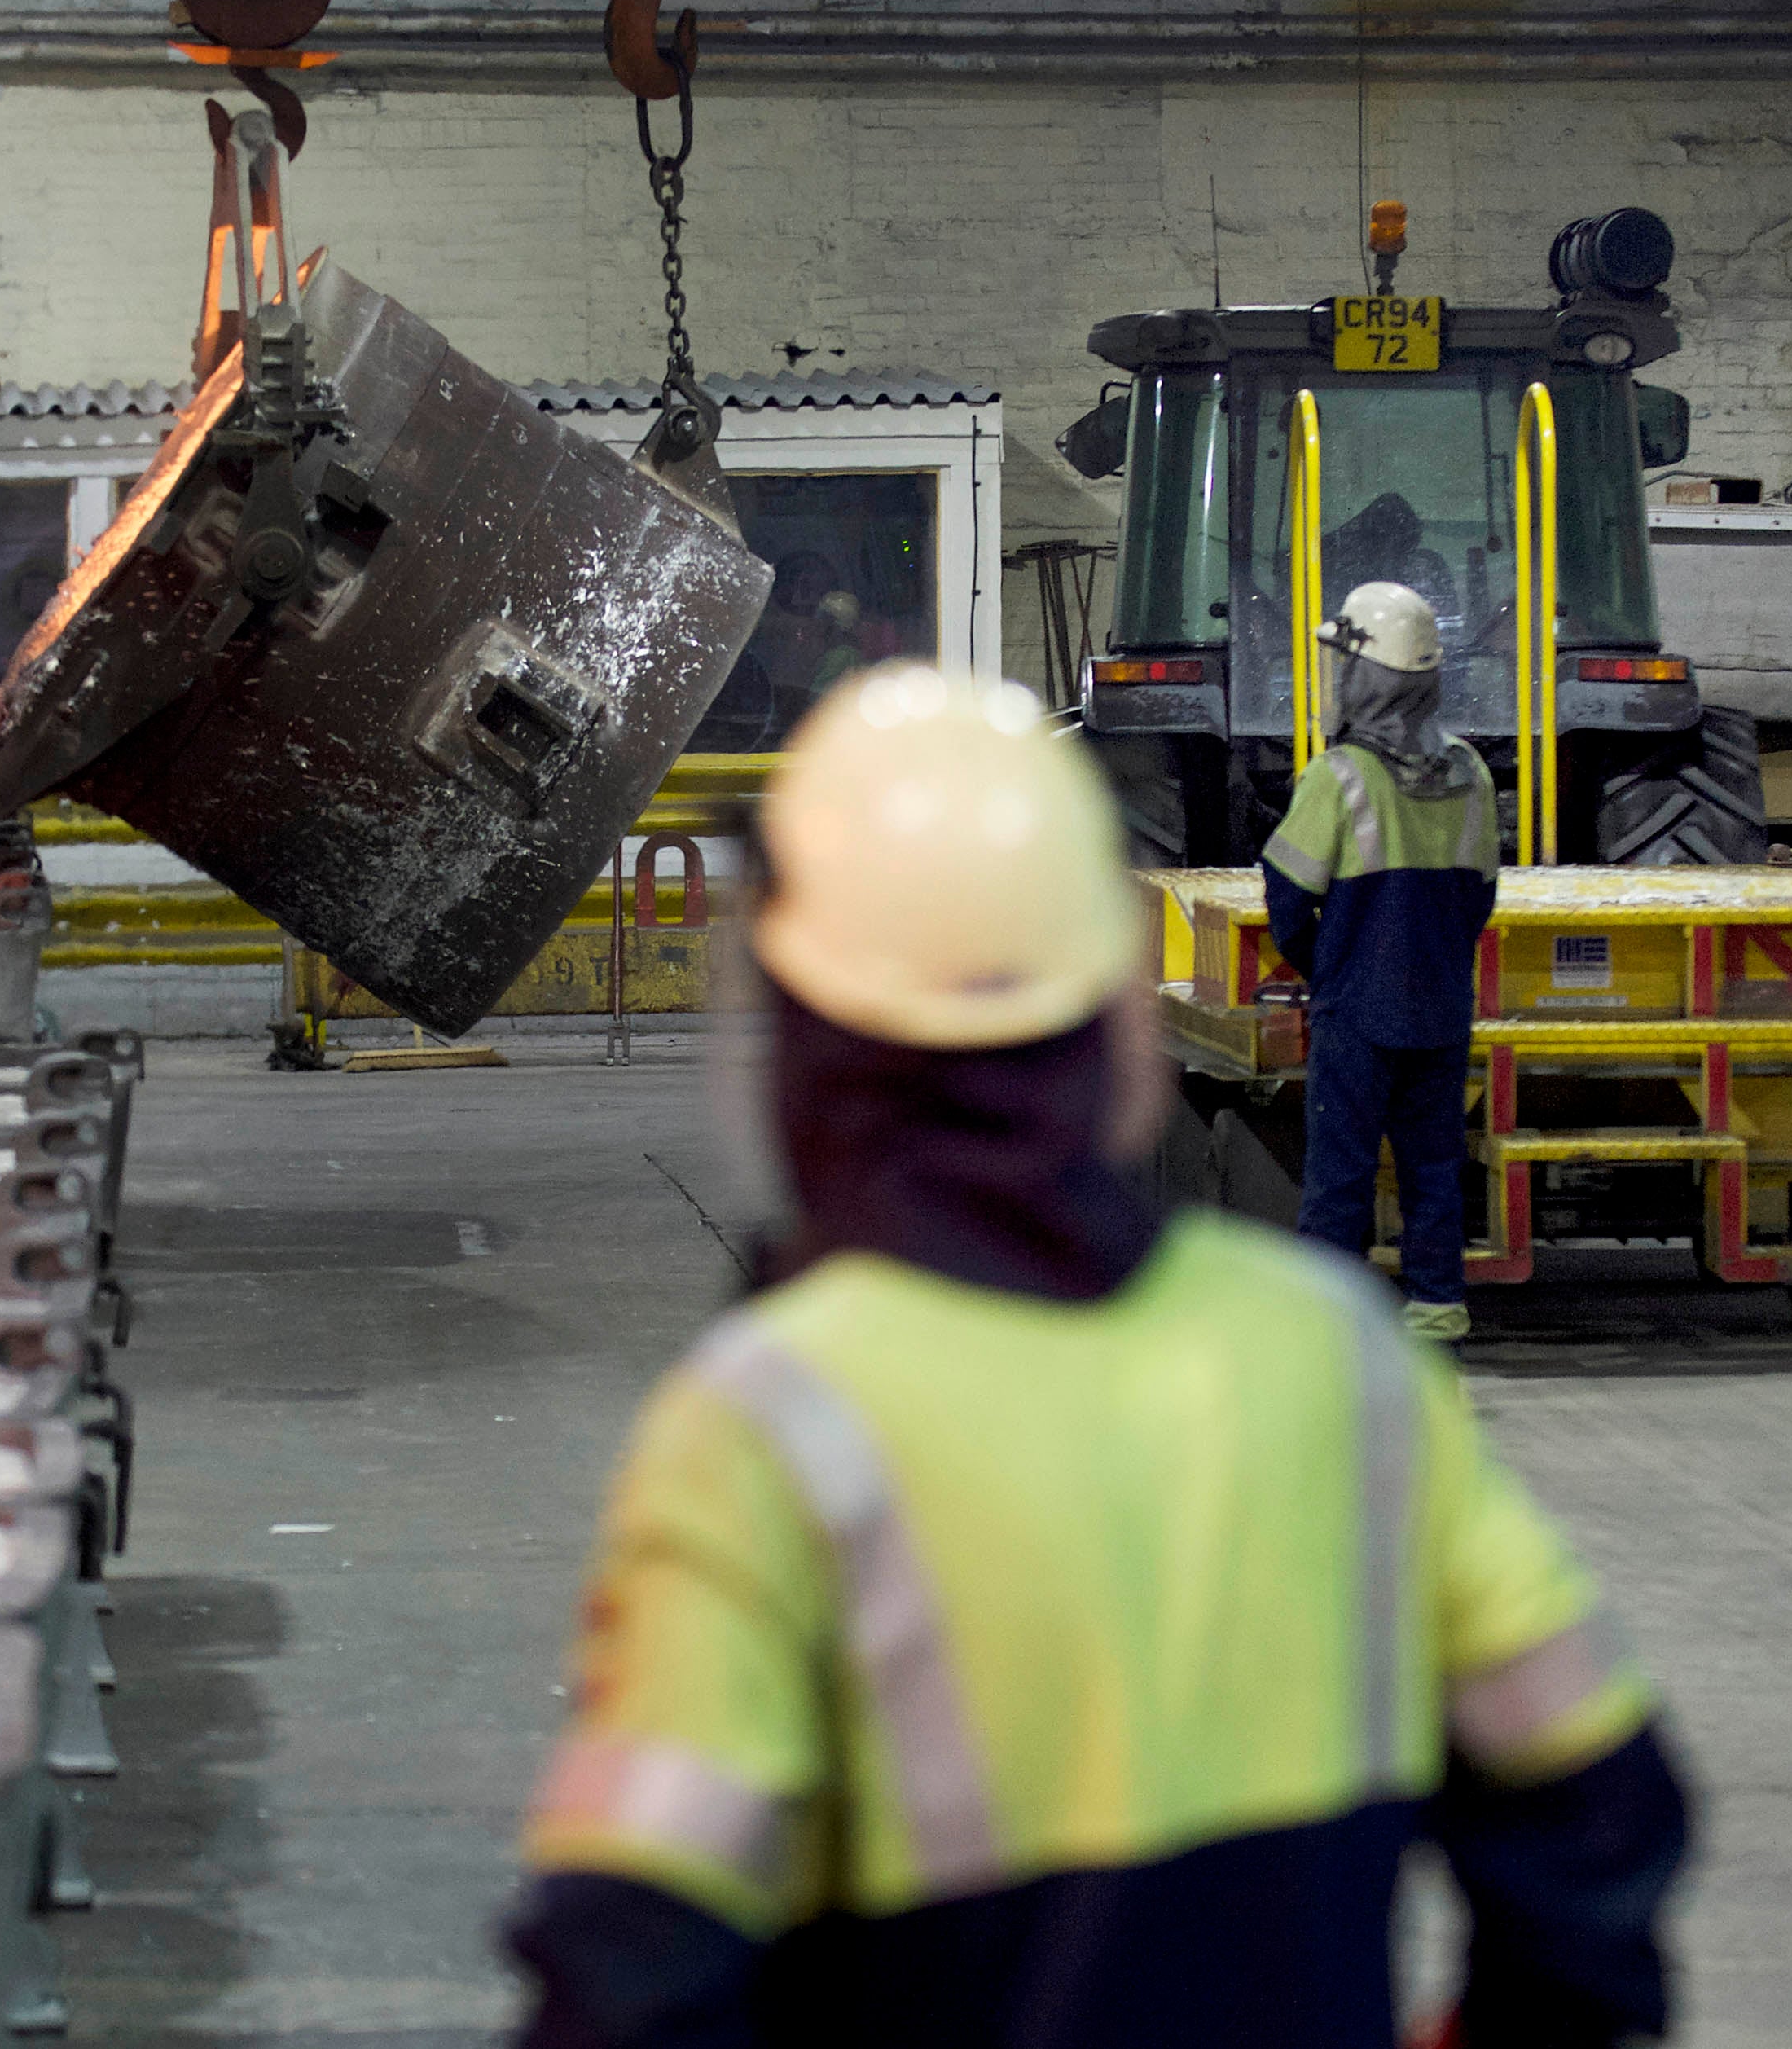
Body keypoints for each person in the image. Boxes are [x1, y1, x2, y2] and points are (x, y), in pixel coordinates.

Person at [505, 660, 1686, 2048]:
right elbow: (1601, 1813)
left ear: (793, 1045)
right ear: (1114, 1019)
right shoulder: (1337, 1358)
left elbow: (630, 1973)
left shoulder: (777, 1422)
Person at [1263, 581, 1500, 1344]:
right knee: (1434, 1171)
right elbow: (1479, 901)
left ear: (1364, 676)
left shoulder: (1337, 779)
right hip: (1441, 1005)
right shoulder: (1473, 775)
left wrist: (1324, 964)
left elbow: (1288, 900)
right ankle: (1436, 1308)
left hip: (1358, 1009)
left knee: (1341, 1177)